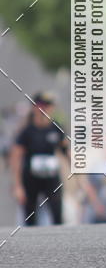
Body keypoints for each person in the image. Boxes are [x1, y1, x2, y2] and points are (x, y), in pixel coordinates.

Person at [10, 92, 68, 226]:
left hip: (51, 177)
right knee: (30, 216)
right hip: (31, 177)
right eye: (42, 106)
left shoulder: (56, 128)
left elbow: (67, 151)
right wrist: (17, 186)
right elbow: (16, 158)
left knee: (57, 211)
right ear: (34, 108)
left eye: (48, 106)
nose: (45, 110)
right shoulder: (27, 131)